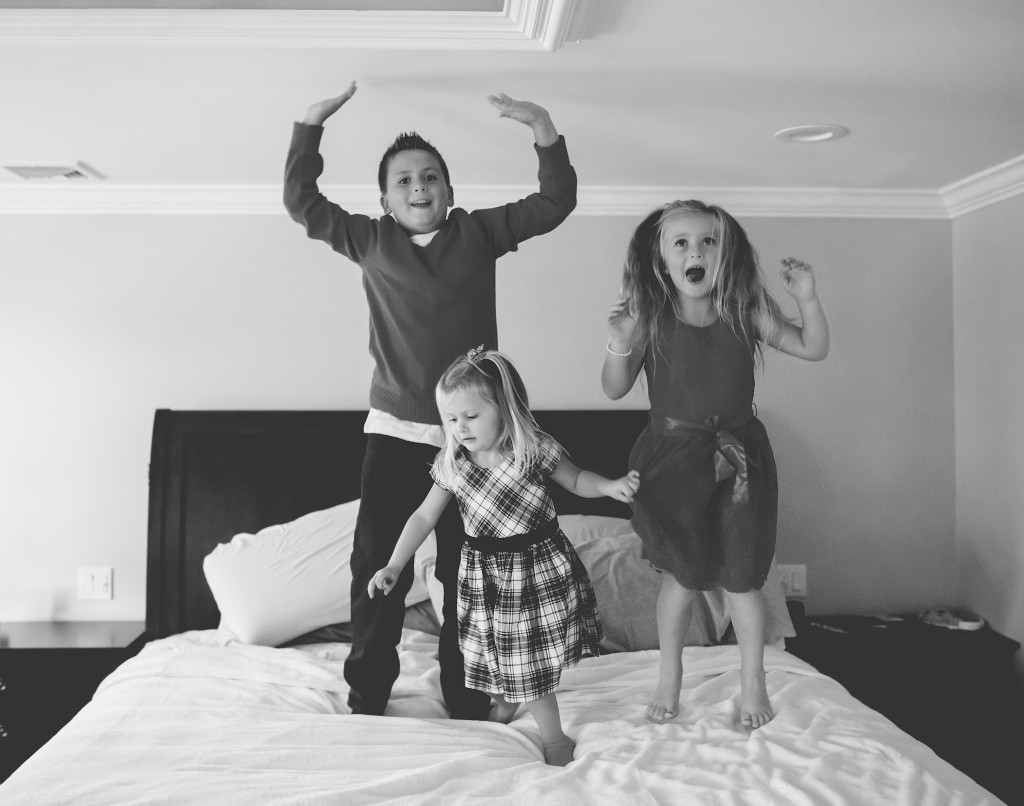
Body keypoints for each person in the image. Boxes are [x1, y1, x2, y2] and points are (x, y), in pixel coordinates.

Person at [283, 82, 577, 720]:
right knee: (375, 564)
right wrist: (311, 125)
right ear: (385, 199)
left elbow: (556, 201)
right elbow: (302, 203)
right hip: (394, 435)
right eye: (404, 180)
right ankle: (367, 695)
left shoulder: (478, 234)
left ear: (450, 191)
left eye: (431, 177)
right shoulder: (368, 240)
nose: (419, 187)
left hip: (475, 444)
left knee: (464, 576)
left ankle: (467, 696)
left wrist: (542, 124)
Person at [601, 200, 829, 730]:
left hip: (739, 462)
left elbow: (813, 346)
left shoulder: (742, 310)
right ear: (660, 258)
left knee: (744, 579)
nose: (695, 251)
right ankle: (669, 674)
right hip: (672, 463)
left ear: (725, 254)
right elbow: (613, 389)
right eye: (680, 242)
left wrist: (808, 298)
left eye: (708, 241)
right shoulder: (650, 319)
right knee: (682, 578)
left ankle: (754, 680)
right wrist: (617, 342)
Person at [369, 347, 640, 765]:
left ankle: (554, 739)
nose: (460, 428)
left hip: (536, 570)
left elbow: (577, 478)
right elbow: (423, 516)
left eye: (471, 416)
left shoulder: (533, 450)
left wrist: (608, 487)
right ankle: (508, 700)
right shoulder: (454, 464)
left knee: (527, 662)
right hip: (484, 576)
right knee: (493, 654)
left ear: (504, 406)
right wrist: (394, 562)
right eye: (451, 418)